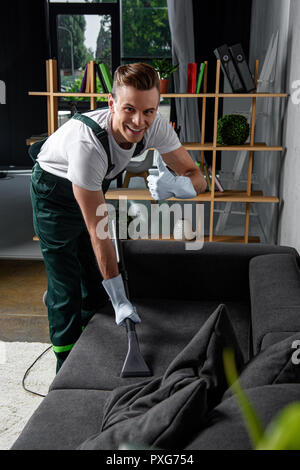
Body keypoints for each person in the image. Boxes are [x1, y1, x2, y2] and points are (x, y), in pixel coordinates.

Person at [30, 62, 207, 372]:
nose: (139, 121)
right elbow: (101, 233)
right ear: (111, 104)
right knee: (66, 284)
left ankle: (90, 338)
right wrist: (121, 298)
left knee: (93, 278)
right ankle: (66, 367)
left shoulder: (155, 125)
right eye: (129, 109)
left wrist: (180, 186)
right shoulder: (87, 146)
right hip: (53, 190)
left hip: (92, 183)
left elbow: (199, 179)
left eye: (149, 111)